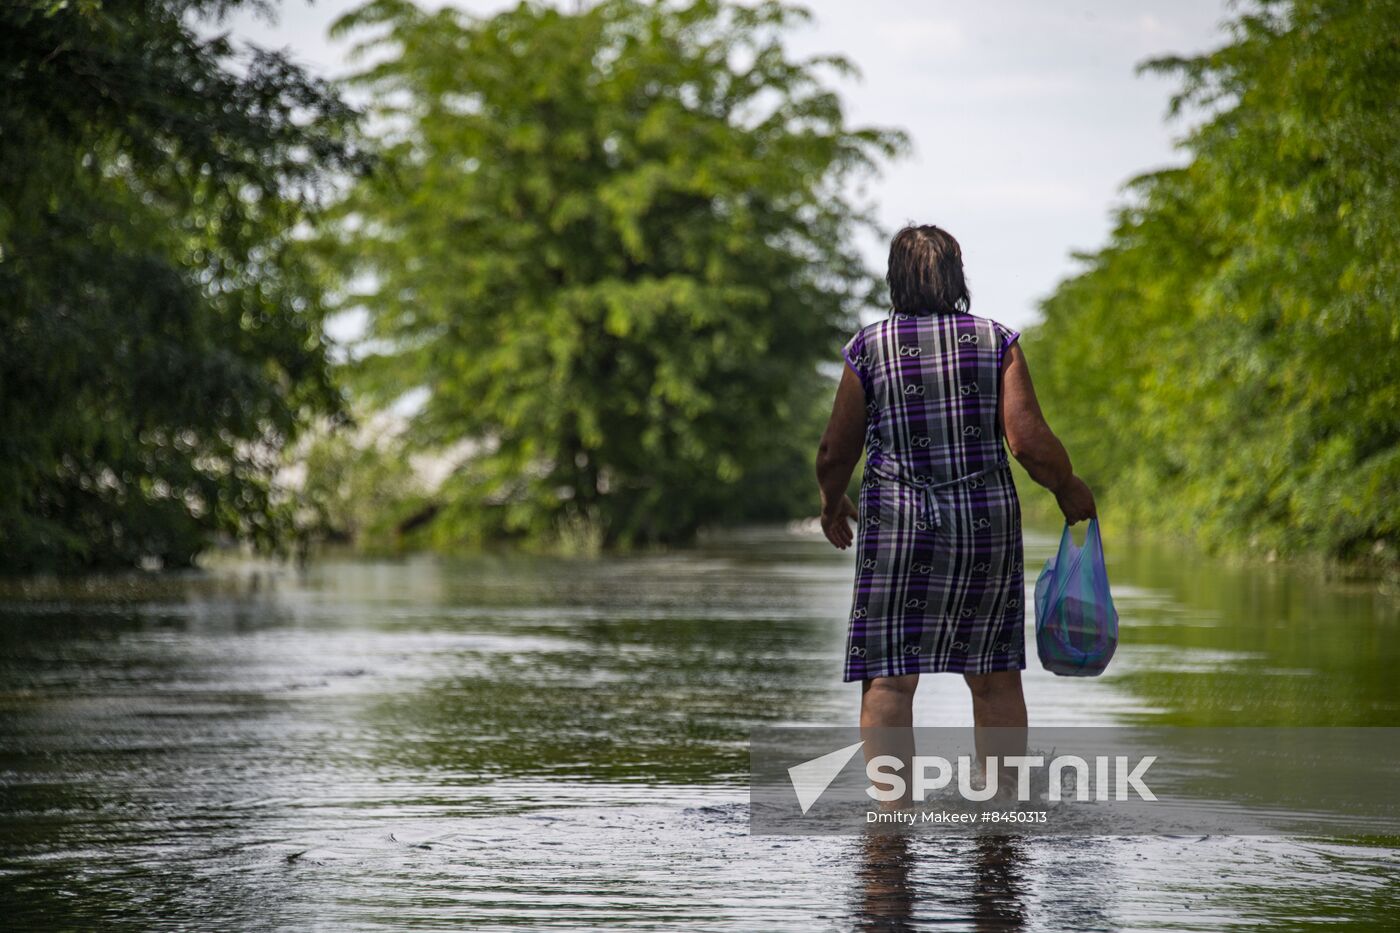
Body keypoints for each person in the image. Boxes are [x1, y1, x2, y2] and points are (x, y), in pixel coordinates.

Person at [815, 225, 1095, 797]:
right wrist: (1067, 487)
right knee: (992, 676)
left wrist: (831, 502)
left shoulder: (868, 347)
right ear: (957, 277)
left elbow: (834, 451)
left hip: (894, 529)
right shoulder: (996, 342)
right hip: (982, 527)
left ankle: (891, 818)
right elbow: (1027, 442)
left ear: (894, 278)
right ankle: (1000, 812)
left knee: (890, 679)